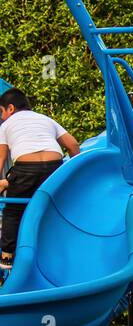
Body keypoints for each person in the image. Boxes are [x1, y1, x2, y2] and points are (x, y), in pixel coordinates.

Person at [0, 88, 80, 268]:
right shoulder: (46, 119)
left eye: (1, 112)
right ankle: (59, 247)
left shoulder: (6, 125)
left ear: (10, 108)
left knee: (13, 210)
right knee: (53, 206)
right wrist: (73, 171)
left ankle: (7, 256)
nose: (2, 117)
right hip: (54, 168)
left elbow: (1, 158)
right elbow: (73, 144)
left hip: (25, 169)